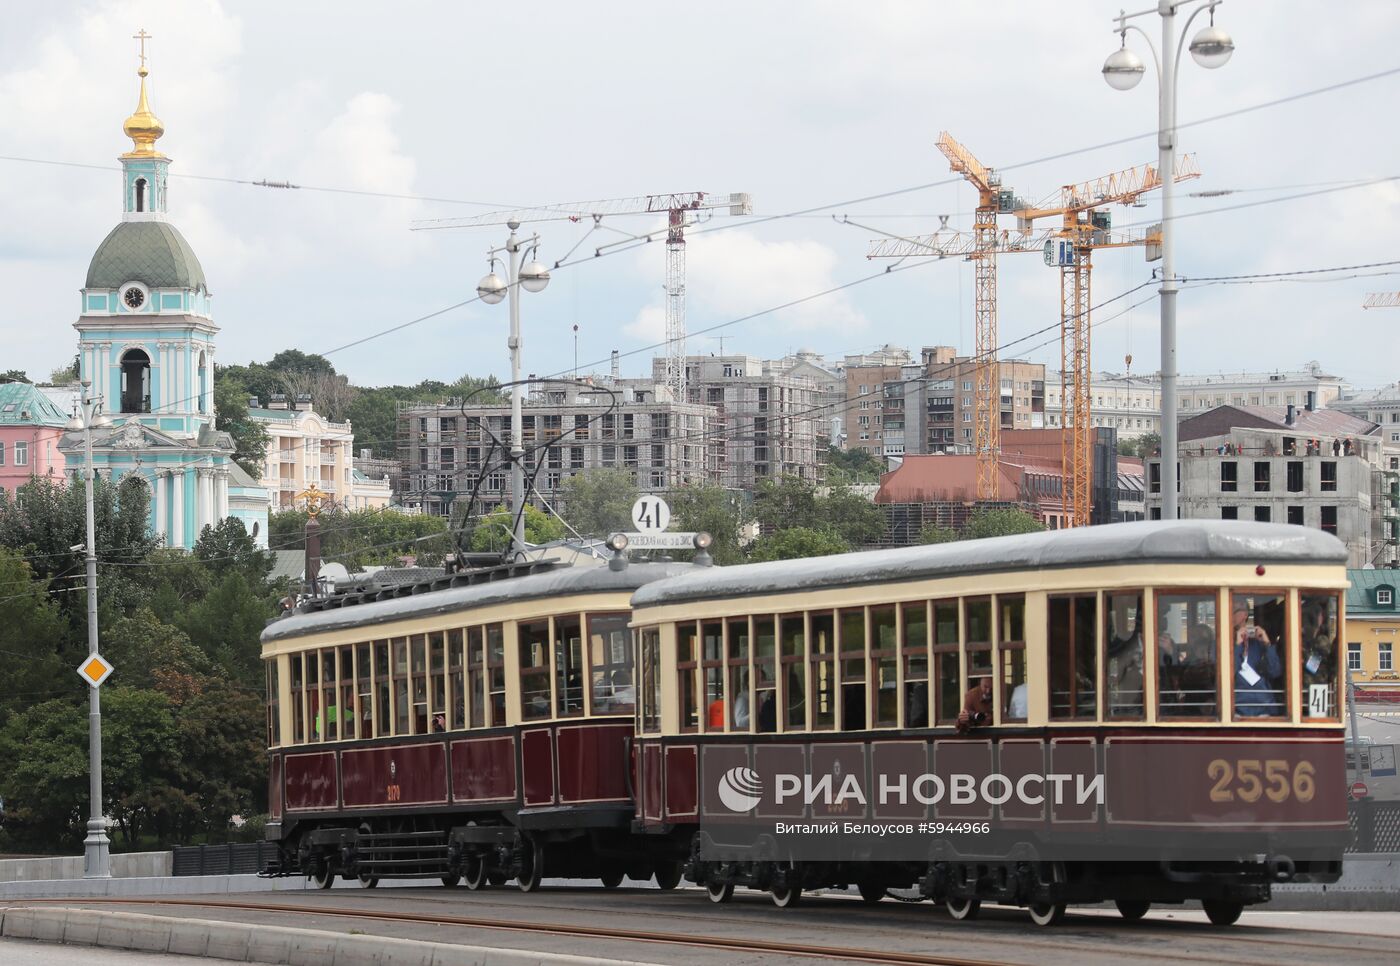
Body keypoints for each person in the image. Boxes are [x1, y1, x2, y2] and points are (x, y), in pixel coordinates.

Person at [1232, 603, 1282, 716]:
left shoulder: (1258, 644)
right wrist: (1237, 646)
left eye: (1233, 609)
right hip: (1235, 710)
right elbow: (1225, 675)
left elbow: (1274, 671)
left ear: (1244, 614)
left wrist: (1267, 644)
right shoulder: (1223, 643)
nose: (1230, 614)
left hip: (1263, 709)